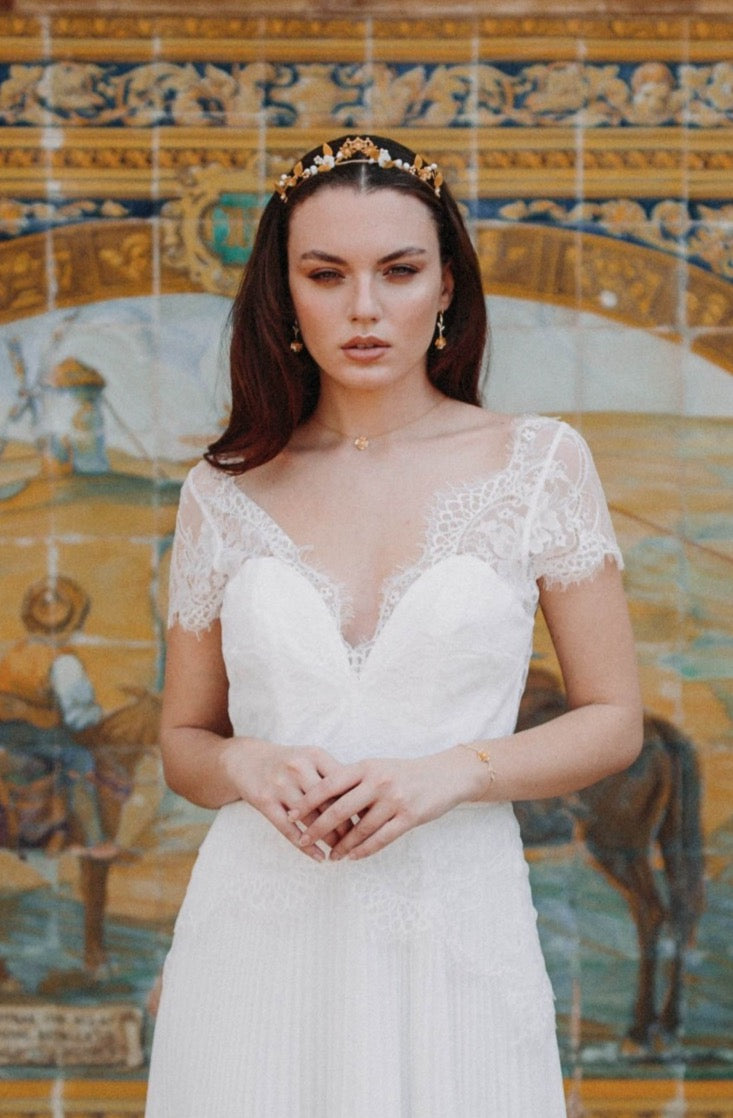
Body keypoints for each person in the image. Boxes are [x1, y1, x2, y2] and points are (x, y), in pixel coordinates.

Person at [145, 134, 643, 1117]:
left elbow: (613, 718)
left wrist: (451, 770)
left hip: (453, 930)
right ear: (283, 294)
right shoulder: (222, 489)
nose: (363, 307)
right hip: (254, 937)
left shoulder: (538, 462)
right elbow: (183, 739)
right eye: (325, 274)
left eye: (399, 270)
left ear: (446, 283)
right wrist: (249, 765)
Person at [0, 575, 118, 859]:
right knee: (84, 763)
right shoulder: (63, 661)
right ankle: (91, 841)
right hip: (38, 734)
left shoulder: (16, 651)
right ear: (74, 620)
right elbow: (78, 718)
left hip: (5, 732)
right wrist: (100, 716)